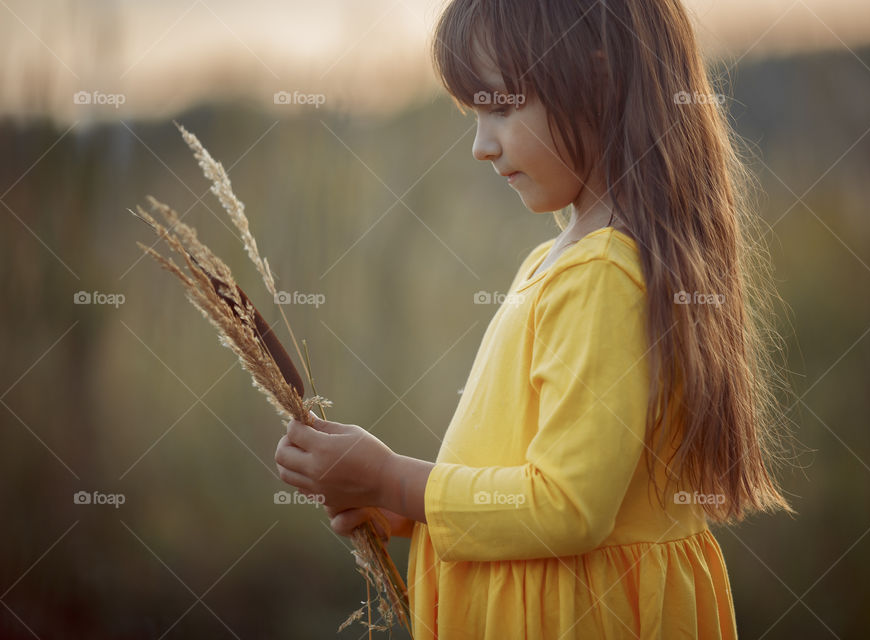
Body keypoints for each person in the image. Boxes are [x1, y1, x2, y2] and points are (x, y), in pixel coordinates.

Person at [275, 0, 798, 637]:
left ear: (597, 80)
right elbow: (527, 468)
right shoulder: (564, 261)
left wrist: (396, 478)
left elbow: (568, 507)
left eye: (499, 106)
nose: (480, 145)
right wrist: (408, 509)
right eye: (473, 114)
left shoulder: (601, 275)